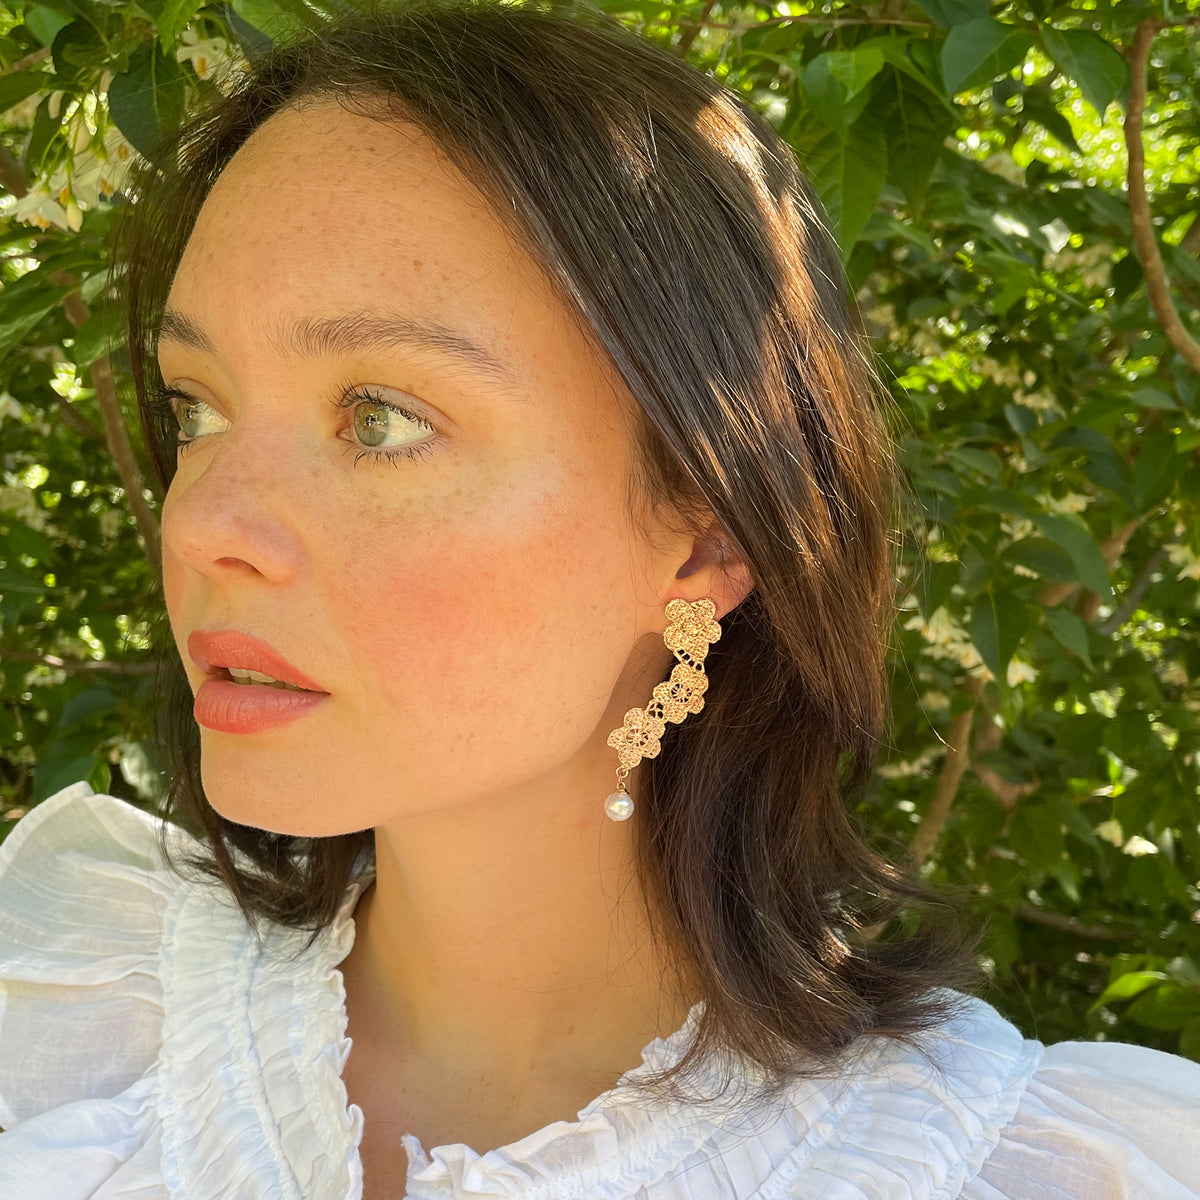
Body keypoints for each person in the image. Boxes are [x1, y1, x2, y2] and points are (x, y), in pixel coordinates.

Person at [1, 1, 1198, 1196]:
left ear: (706, 539)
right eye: (194, 408)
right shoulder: (64, 1018)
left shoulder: (1043, 1170)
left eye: (380, 420)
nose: (204, 522)